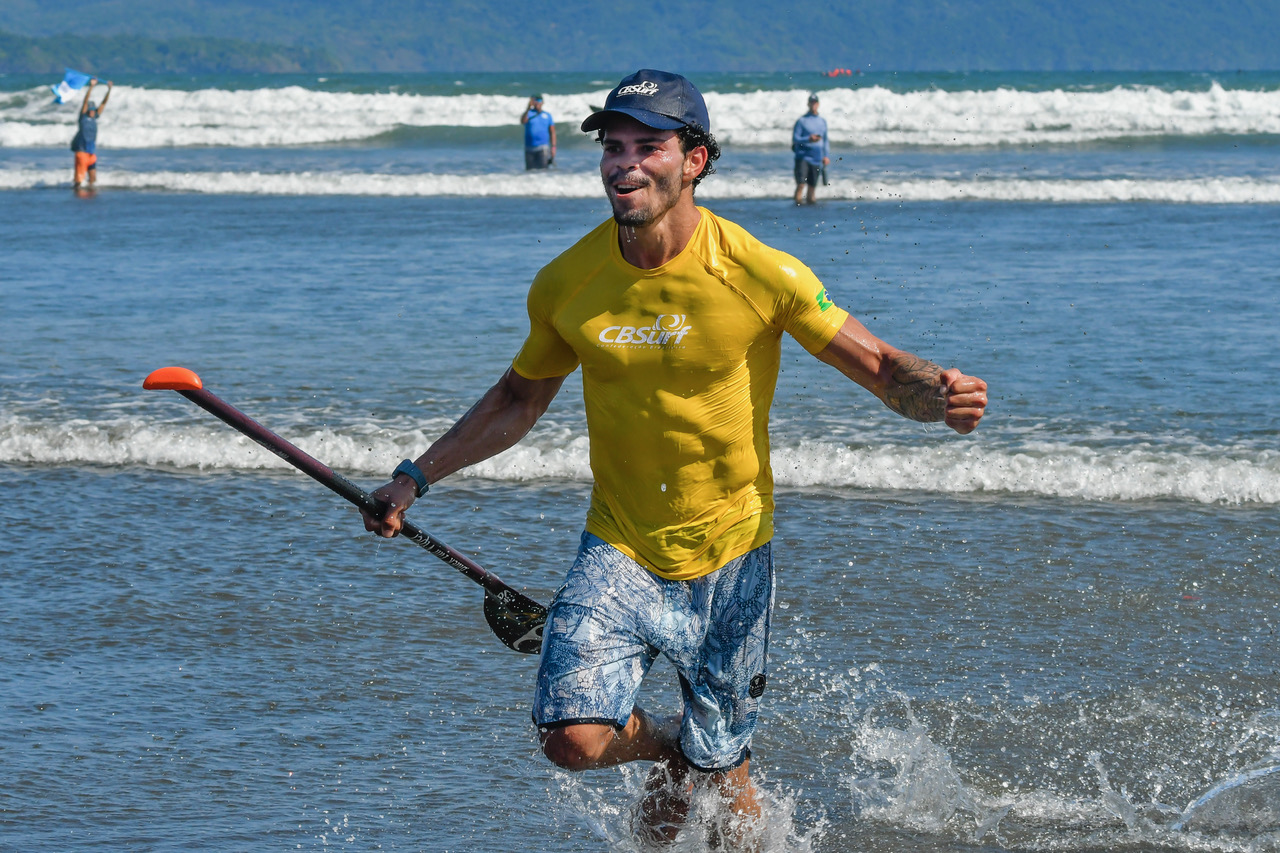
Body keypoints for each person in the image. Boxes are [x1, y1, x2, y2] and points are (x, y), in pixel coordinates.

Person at [363, 69, 987, 845]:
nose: (624, 163)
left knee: (729, 794)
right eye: (613, 147)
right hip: (620, 544)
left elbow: (883, 367)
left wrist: (943, 396)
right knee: (572, 737)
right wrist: (413, 477)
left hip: (732, 556)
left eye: (647, 146)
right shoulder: (570, 282)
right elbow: (517, 400)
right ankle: (668, 749)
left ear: (694, 159)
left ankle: (702, 760)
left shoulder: (760, 272)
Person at [71, 78, 112, 190]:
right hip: (81, 152)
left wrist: (109, 90)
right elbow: (85, 101)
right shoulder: (83, 118)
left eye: (94, 109)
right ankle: (76, 198)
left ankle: (90, 197)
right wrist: (91, 87)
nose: (93, 111)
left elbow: (104, 103)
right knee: (79, 181)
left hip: (90, 152)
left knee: (93, 179)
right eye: (91, 109)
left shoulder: (95, 117)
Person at [792, 93, 829, 205]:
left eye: (815, 102)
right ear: (808, 104)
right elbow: (796, 138)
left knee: (812, 187)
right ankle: (797, 205)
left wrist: (826, 155)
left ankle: (811, 214)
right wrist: (809, 139)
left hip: (817, 158)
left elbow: (825, 140)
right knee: (801, 184)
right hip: (803, 156)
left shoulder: (822, 121)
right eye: (811, 102)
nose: (813, 105)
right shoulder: (802, 121)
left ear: (818, 104)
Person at [520, 94, 556, 169]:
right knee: (529, 171)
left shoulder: (547, 115)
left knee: (543, 170)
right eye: (535, 101)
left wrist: (553, 148)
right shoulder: (529, 113)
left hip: (543, 148)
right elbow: (523, 121)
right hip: (529, 148)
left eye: (539, 101)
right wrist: (528, 108)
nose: (537, 103)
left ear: (542, 102)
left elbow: (552, 132)